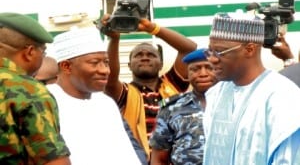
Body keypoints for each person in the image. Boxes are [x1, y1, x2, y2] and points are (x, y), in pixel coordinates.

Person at [203, 12, 300, 165]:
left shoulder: (282, 96)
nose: (212, 59)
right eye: (210, 51)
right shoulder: (216, 94)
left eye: (220, 52)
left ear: (249, 49)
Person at [100, 14, 197, 159]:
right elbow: (111, 76)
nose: (145, 57)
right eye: (138, 55)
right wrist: (114, 39)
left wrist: (153, 29)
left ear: (161, 64)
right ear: (129, 66)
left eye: (151, 55)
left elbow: (189, 49)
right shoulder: (125, 93)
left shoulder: (172, 84)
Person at [47, 27, 143, 165]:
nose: (105, 70)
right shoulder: (45, 101)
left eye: (106, 62)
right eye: (94, 63)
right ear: (66, 66)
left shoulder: (105, 103)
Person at [0, 12, 71, 164]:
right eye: (43, 52)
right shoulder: (28, 90)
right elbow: (54, 161)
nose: (43, 57)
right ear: (30, 52)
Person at [149, 48, 218, 165]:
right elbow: (159, 158)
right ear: (187, 74)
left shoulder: (235, 103)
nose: (203, 74)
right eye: (195, 69)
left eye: (209, 68)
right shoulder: (172, 107)